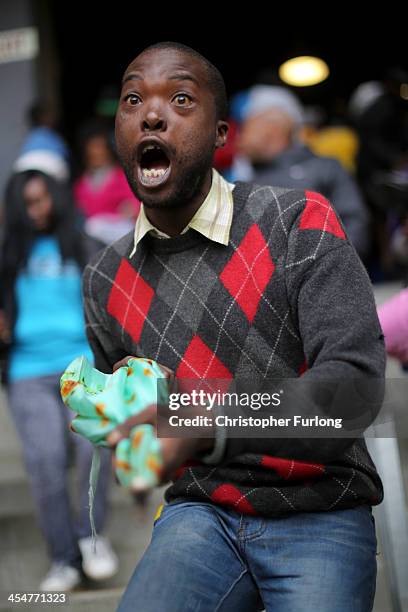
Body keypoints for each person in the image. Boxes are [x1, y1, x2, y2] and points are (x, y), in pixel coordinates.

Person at [82, 42, 385, 611]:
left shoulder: (298, 222)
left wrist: (204, 421)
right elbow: (137, 419)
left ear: (223, 134)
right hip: (199, 513)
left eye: (179, 98)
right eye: (132, 99)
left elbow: (354, 392)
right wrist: (123, 417)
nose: (151, 113)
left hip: (319, 509)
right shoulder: (103, 278)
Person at [0, 169, 118, 591]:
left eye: (44, 199)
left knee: (93, 448)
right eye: (28, 203)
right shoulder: (7, 254)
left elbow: (116, 299)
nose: (38, 209)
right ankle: (63, 559)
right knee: (45, 460)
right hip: (27, 371)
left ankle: (91, 538)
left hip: (81, 365)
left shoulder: (86, 246)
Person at [233, 85, 370, 260]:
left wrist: (329, 273)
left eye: (245, 126)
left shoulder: (325, 168)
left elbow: (355, 224)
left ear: (272, 128)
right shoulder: (242, 181)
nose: (238, 137)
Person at [74, 123, 140, 244]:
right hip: (92, 244)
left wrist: (130, 210)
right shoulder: (81, 184)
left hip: (120, 237)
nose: (96, 152)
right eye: (92, 147)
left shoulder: (122, 177)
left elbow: (135, 205)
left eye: (100, 147)